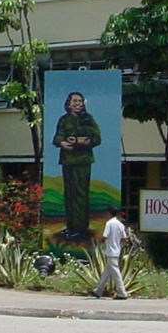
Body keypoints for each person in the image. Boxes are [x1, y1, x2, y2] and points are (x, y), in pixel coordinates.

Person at [52, 91, 101, 241]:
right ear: (68, 104)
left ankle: (81, 228)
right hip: (68, 160)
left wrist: (82, 140)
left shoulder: (88, 118)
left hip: (83, 161)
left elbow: (97, 137)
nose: (77, 103)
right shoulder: (64, 120)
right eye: (74, 101)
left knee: (80, 194)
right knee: (69, 194)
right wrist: (63, 143)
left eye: (80, 101)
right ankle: (71, 226)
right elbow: (57, 138)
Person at [87, 206, 128, 300]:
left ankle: (122, 293)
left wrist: (99, 241)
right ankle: (98, 291)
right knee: (107, 272)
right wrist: (117, 241)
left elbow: (105, 236)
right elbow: (125, 239)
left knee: (115, 272)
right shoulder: (120, 224)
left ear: (109, 213)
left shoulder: (109, 223)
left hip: (110, 250)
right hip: (117, 250)